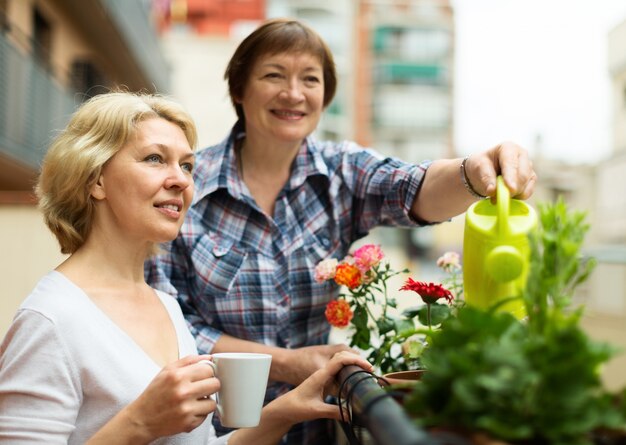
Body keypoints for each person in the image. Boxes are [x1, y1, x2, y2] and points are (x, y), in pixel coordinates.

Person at [145, 18, 537, 444]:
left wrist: (473, 173)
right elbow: (168, 324)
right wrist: (288, 363)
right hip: (213, 432)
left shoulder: (341, 172)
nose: (293, 93)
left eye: (309, 79)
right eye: (274, 75)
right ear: (239, 89)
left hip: (312, 431)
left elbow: (414, 188)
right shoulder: (186, 184)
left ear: (325, 97)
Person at [0, 91, 373, 444]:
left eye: (187, 165)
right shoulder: (50, 320)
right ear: (96, 179)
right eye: (154, 159)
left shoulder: (166, 306)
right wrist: (138, 423)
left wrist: (287, 411)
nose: (181, 180)